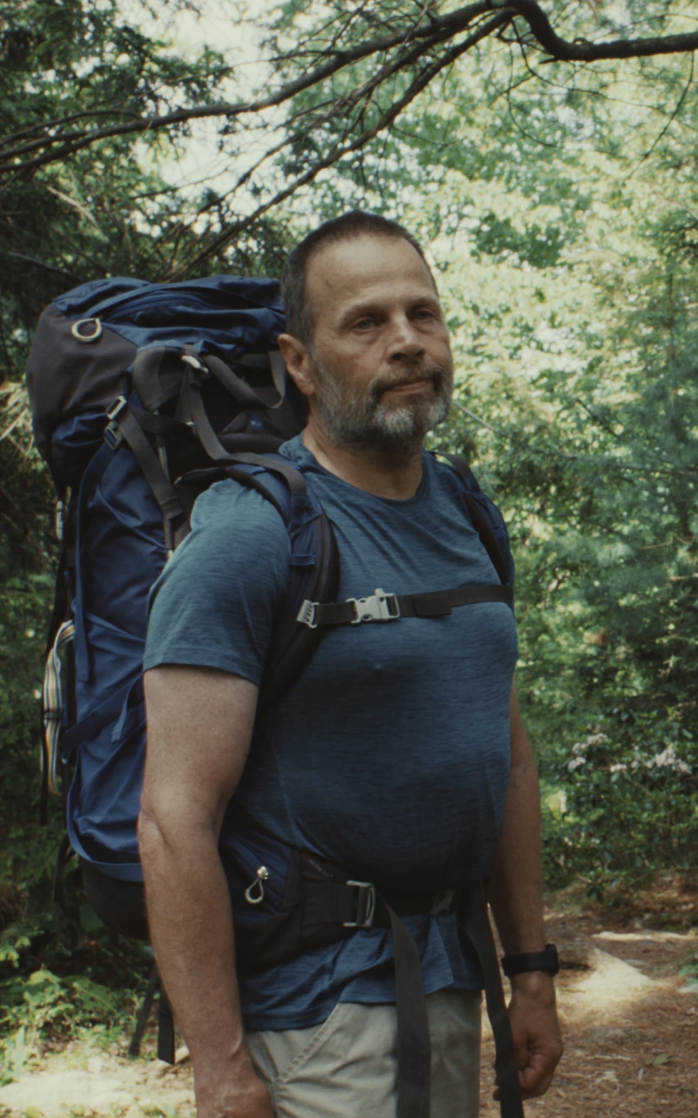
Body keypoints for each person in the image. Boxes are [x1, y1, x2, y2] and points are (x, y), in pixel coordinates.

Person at [138, 211, 563, 1117]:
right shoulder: (251, 537)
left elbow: (508, 756)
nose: (407, 342)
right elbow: (175, 820)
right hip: (318, 1013)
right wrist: (220, 1068)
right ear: (300, 362)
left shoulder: (467, 514)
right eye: (366, 322)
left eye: (424, 314)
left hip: (451, 976)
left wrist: (531, 969)